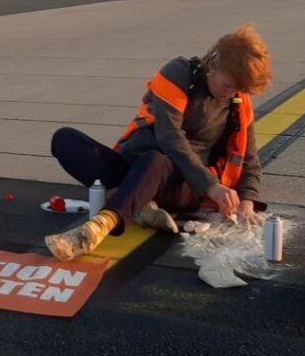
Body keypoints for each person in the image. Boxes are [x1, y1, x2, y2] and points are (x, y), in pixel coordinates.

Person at [45, 24, 273, 261]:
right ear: (213, 65)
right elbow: (169, 136)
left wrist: (247, 200)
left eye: (238, 89)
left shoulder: (237, 103)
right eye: (228, 85)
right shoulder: (180, 73)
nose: (232, 93)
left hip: (182, 184)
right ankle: (139, 204)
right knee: (65, 139)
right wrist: (212, 185)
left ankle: (97, 228)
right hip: (136, 166)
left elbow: (249, 158)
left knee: (155, 161)